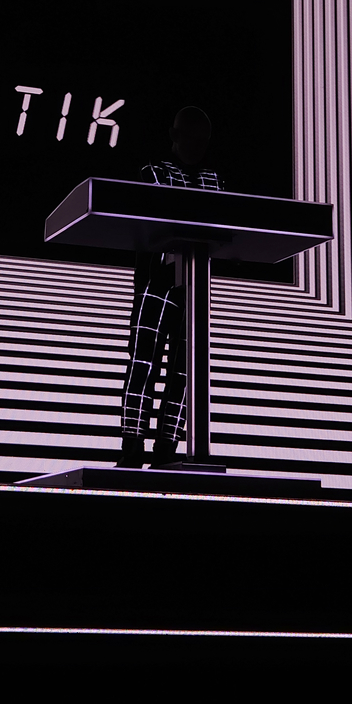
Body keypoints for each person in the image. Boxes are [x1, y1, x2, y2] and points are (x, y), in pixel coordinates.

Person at [115, 107, 223, 469]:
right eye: (191, 138)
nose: (197, 146)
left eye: (202, 140)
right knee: (143, 364)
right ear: (175, 136)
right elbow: (160, 211)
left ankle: (166, 450)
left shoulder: (214, 180)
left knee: (184, 373)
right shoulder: (154, 172)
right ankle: (132, 446)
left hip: (194, 286)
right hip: (156, 281)